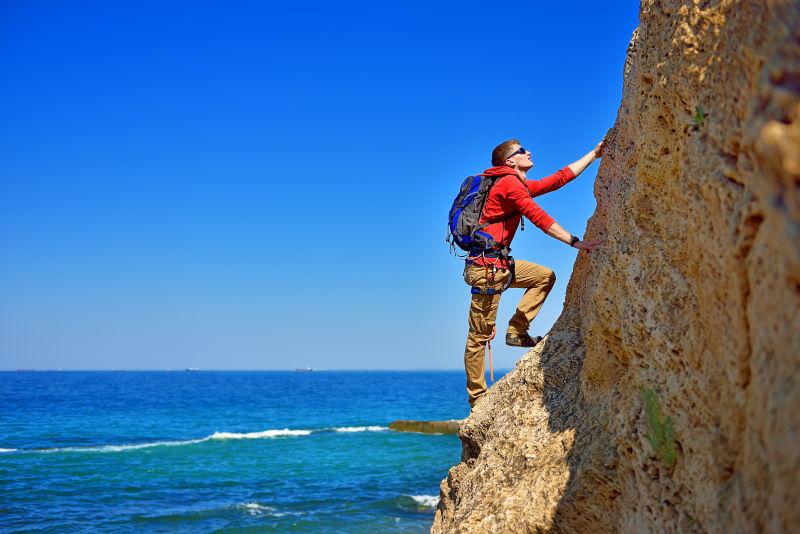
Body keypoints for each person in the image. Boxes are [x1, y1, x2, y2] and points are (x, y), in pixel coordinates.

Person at [463, 138, 604, 408]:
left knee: (544, 276)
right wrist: (575, 242)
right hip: (487, 270)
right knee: (478, 336)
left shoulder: (514, 183)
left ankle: (517, 330)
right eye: (522, 151)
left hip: (499, 266)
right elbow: (537, 216)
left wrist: (594, 155)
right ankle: (477, 398)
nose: (528, 152)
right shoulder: (508, 184)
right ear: (509, 162)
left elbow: (559, 179)